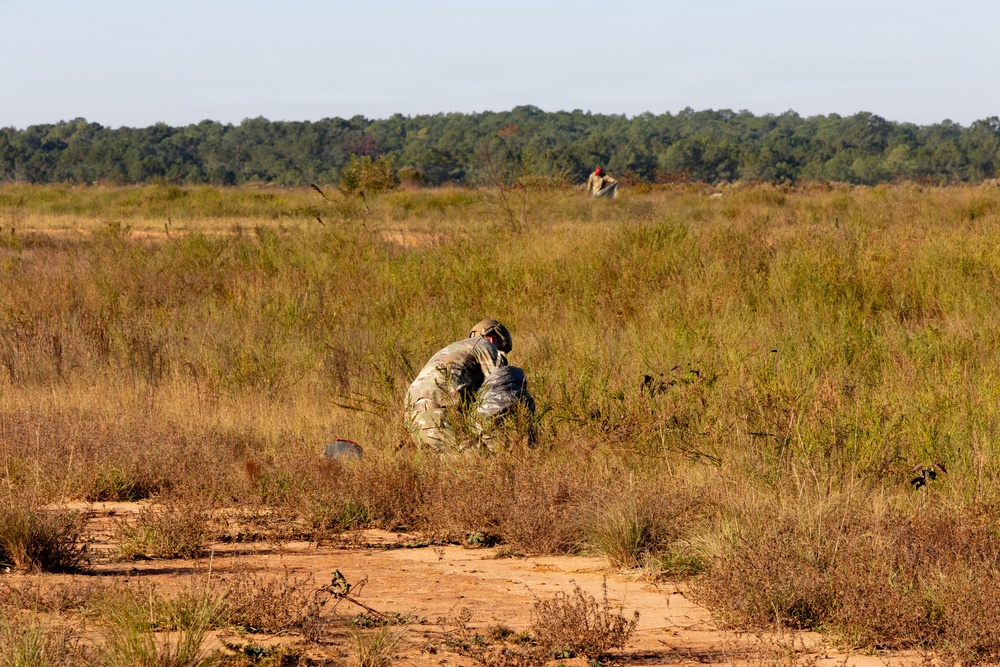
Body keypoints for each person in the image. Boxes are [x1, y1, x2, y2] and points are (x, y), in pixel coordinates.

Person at [405, 319, 512, 451]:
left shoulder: (453, 350)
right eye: (500, 347)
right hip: (439, 414)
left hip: (412, 417)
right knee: (479, 461)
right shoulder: (485, 345)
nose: (499, 351)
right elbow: (500, 389)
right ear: (493, 338)